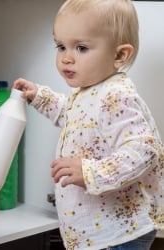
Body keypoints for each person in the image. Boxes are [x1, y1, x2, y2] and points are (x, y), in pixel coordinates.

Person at [13, 0, 164, 249]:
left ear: (119, 55)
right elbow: (75, 118)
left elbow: (143, 151)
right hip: (102, 232)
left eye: (81, 48)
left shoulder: (115, 95)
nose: (66, 58)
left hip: (117, 234)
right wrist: (40, 96)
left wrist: (91, 172)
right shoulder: (90, 92)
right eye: (61, 46)